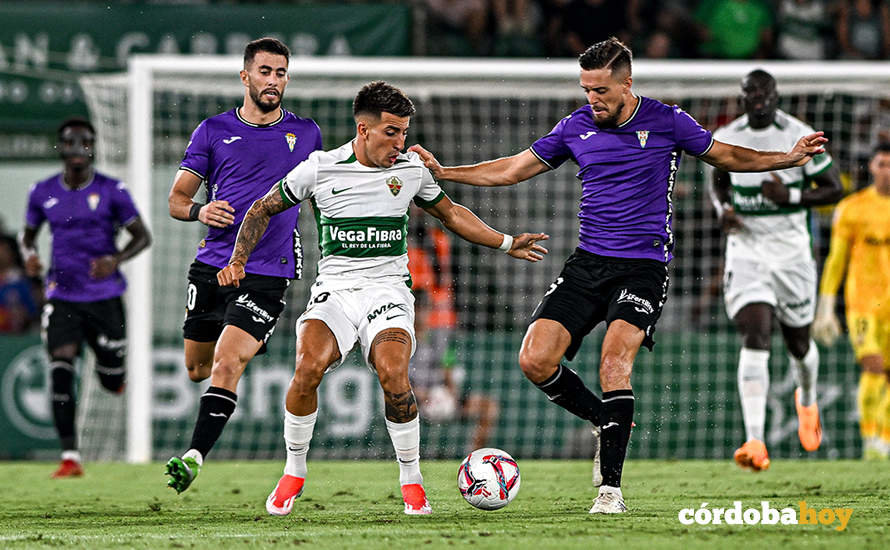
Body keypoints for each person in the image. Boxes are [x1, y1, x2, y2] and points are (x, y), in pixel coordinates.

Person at [409, 36, 828, 514]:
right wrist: (446, 172)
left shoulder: (667, 121)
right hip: (588, 264)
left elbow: (728, 156)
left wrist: (787, 158)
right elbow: (512, 169)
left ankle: (610, 490)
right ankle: (605, 420)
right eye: (587, 88)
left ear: (627, 83)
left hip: (644, 267)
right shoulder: (575, 127)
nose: (593, 99)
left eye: (602, 90)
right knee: (534, 360)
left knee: (613, 362)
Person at [216, 81, 548, 516]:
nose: (401, 142)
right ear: (363, 128)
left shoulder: (411, 170)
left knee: (395, 375)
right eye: (392, 132)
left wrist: (506, 243)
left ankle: (412, 481)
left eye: (405, 132)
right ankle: (293, 470)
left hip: (388, 292)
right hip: (335, 292)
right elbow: (261, 209)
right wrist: (239, 259)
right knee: (307, 366)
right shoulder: (320, 167)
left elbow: (450, 214)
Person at [164, 37, 322, 493]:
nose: (274, 81)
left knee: (227, 363)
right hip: (211, 266)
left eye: (281, 73)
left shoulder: (307, 133)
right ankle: (238, 348)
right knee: (198, 367)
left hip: (268, 271)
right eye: (266, 71)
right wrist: (199, 211)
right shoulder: (212, 131)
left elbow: (323, 192)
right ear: (245, 76)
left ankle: (193, 457)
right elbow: (176, 200)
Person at [710, 69, 843, 472]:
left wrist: (792, 195)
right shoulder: (730, 134)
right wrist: (724, 210)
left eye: (765, 93)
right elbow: (719, 179)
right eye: (751, 93)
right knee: (755, 331)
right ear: (743, 97)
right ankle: (755, 440)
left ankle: (807, 398)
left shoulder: (798, 134)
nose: (759, 100)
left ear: (775, 95)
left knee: (798, 344)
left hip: (792, 255)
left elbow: (835, 189)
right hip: (748, 251)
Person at [18, 117, 152, 477]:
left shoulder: (112, 190)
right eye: (71, 141)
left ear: (93, 146)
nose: (78, 148)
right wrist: (29, 255)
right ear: (61, 147)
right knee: (60, 369)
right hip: (62, 296)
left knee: (111, 378)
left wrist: (117, 259)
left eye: (85, 141)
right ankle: (70, 456)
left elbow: (143, 236)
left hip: (106, 297)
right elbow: (28, 235)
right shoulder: (42, 191)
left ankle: (115, 374)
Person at [813, 143, 890, 460]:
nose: (887, 170)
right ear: (871, 167)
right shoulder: (853, 208)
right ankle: (870, 441)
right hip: (863, 304)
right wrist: (826, 304)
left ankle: (884, 438)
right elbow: (836, 260)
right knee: (873, 366)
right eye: (882, 164)